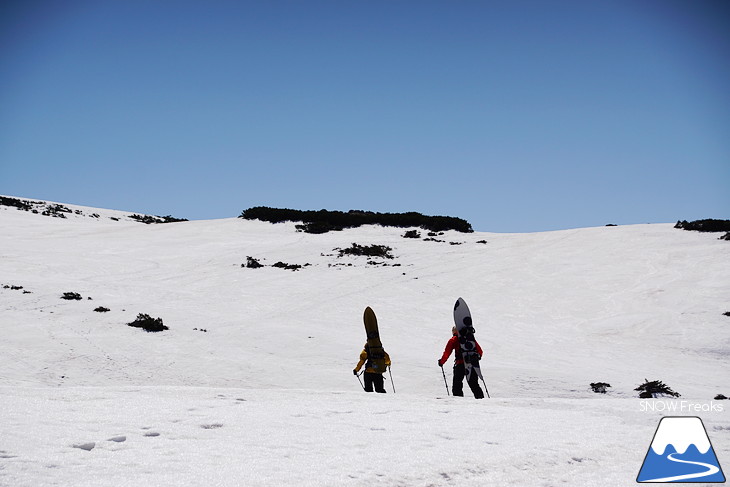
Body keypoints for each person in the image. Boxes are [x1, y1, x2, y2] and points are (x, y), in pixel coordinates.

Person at [438, 326, 484, 399]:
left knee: (457, 385)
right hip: (471, 365)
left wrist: (441, 362)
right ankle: (481, 400)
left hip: (460, 365)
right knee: (474, 384)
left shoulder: (453, 339)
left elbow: (447, 352)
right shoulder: (470, 339)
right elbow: (480, 352)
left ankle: (459, 402)